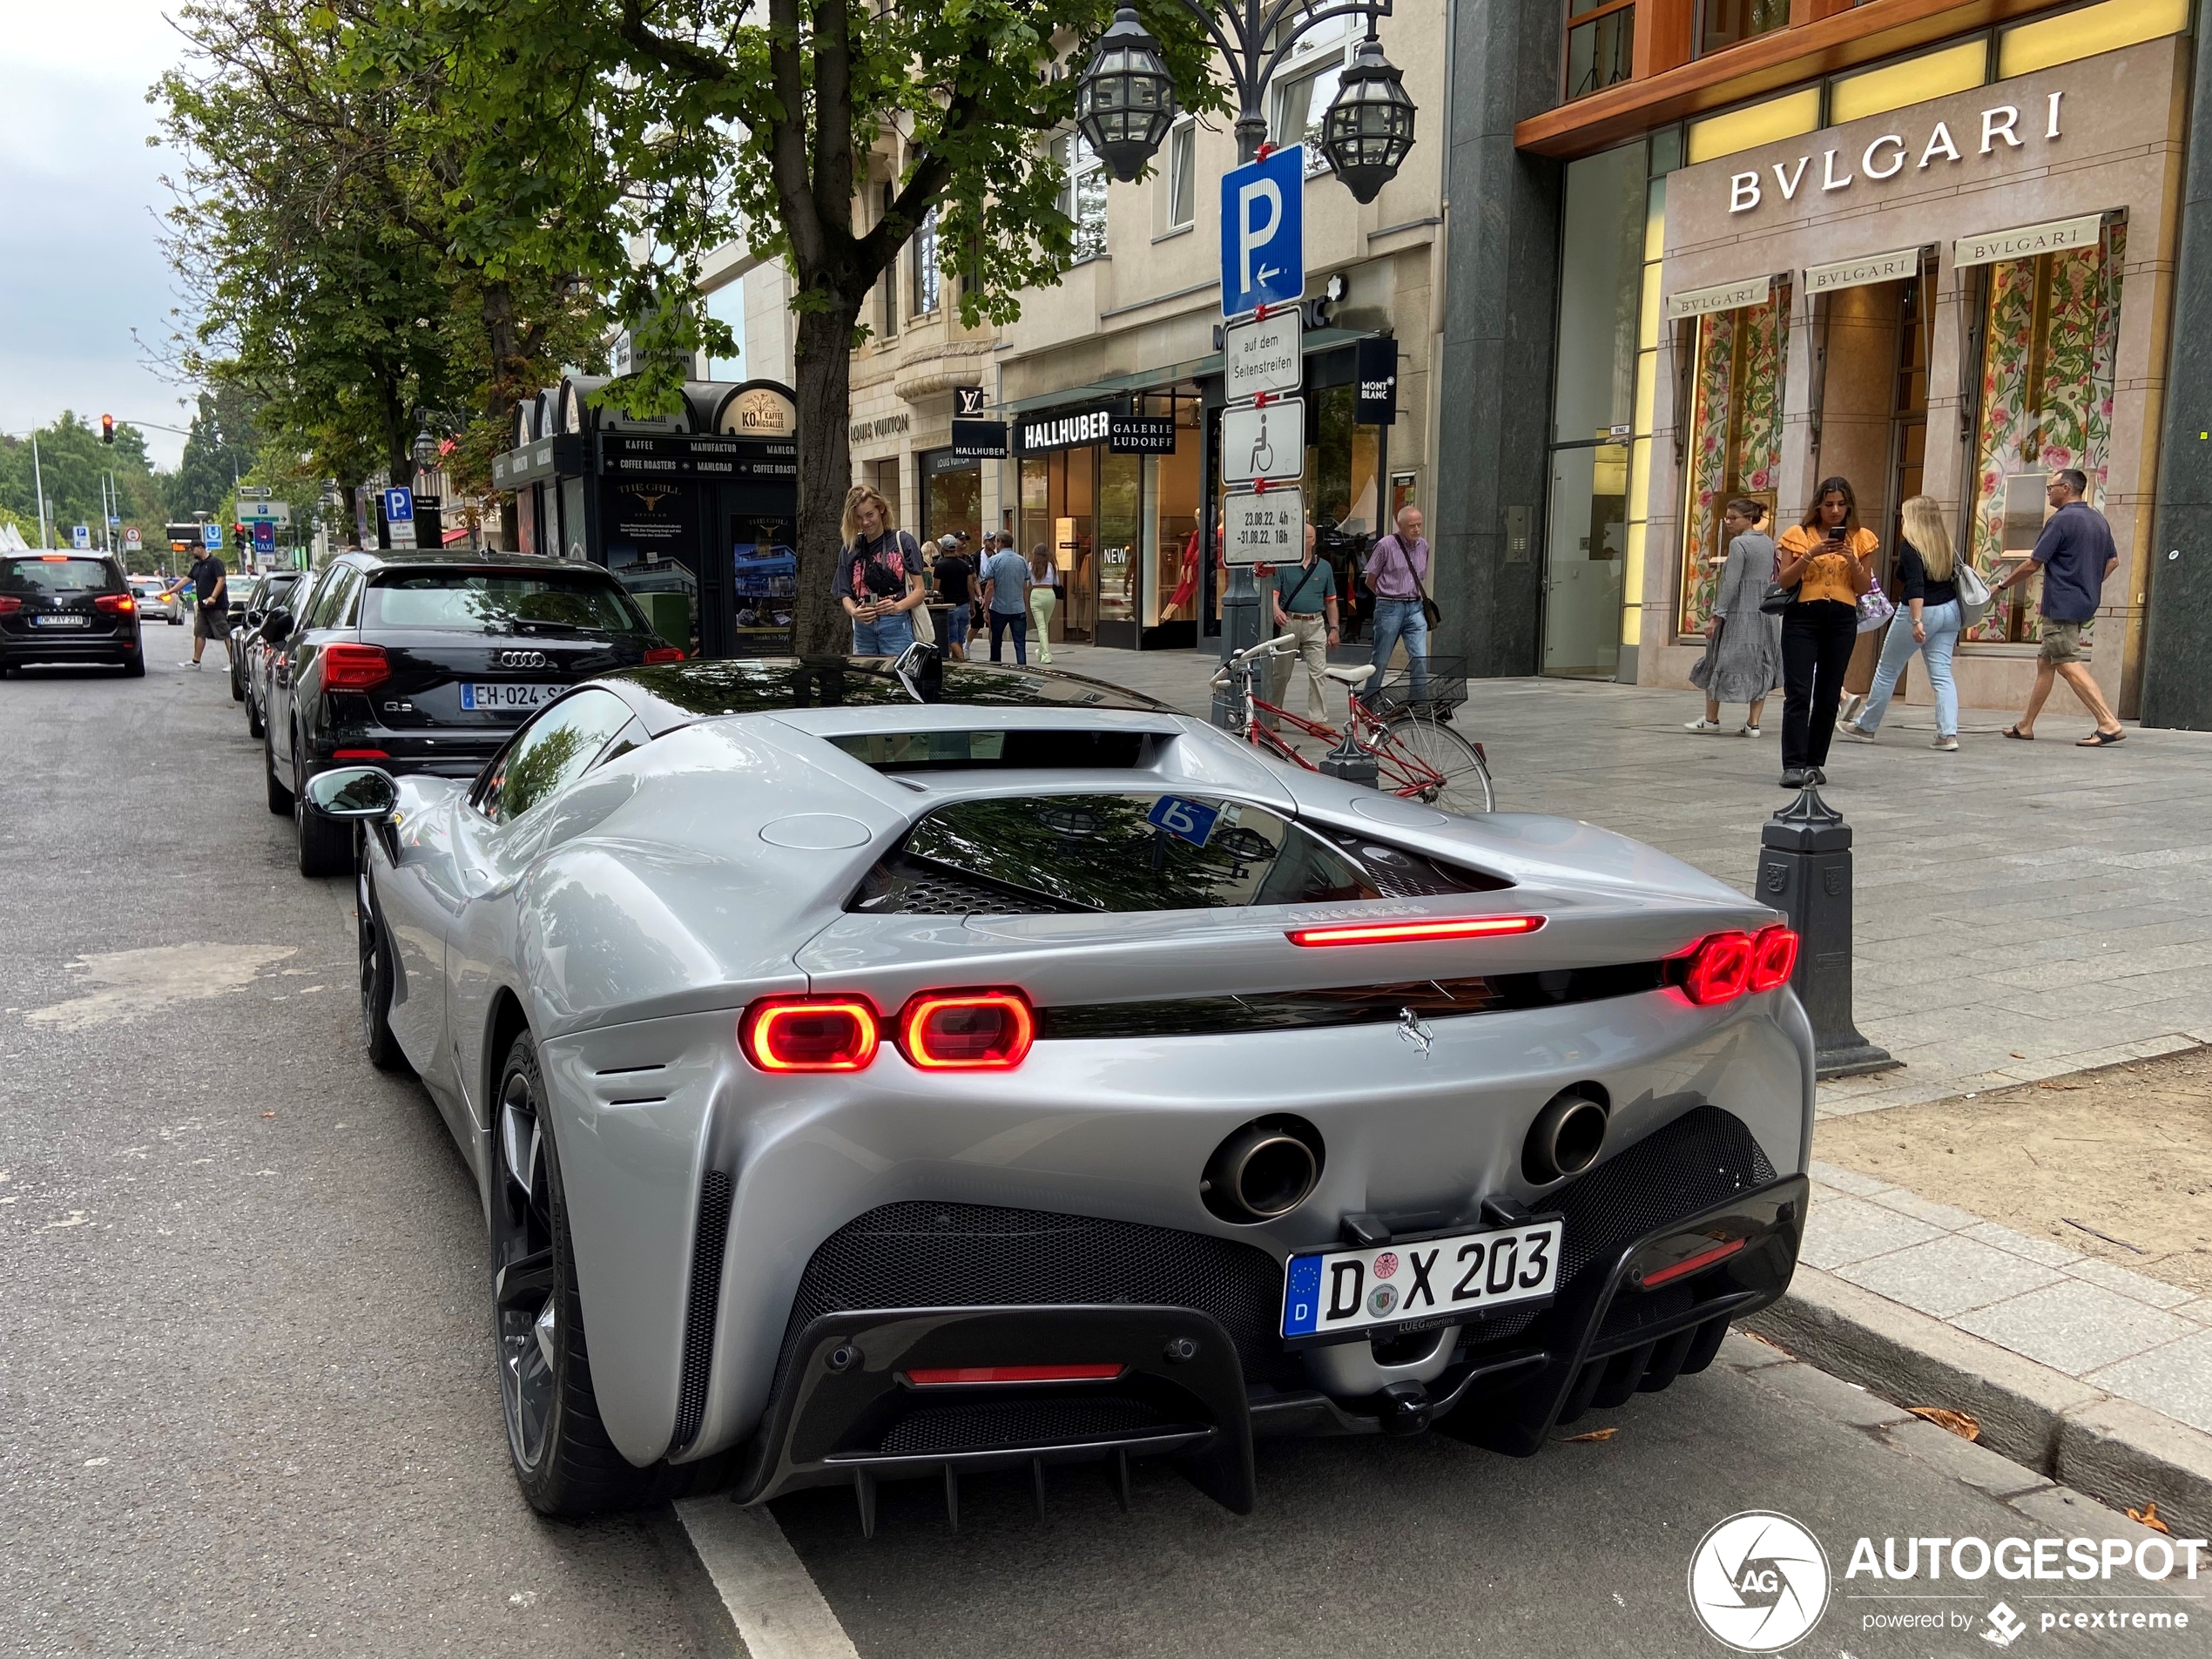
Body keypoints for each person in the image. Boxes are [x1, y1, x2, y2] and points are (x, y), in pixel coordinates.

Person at [1992, 469, 2126, 746]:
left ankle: (2108, 723)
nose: (2049, 493)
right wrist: (2088, 581)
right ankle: (2026, 725)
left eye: (2051, 487)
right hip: (2084, 601)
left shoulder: (2061, 520)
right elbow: (2113, 561)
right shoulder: (2098, 520)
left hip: (2062, 602)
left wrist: (2001, 586)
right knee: (2047, 661)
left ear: (2065, 488)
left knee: (2065, 661)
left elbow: (2033, 563)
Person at [1772, 476, 1878, 788]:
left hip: (1841, 619)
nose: (1835, 510)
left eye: (1841, 504)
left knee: (1829, 694)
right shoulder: (1797, 535)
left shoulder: (1862, 538)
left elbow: (1862, 589)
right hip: (1802, 618)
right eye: (1829, 504)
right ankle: (1793, 764)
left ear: (1849, 506)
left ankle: (1815, 762)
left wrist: (1852, 560)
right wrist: (1811, 554)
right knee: (1799, 692)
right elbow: (1785, 582)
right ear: (1818, 504)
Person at [1838, 495, 1962, 751]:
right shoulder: (1944, 543)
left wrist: (1916, 621)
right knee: (1942, 674)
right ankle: (1947, 734)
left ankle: (1866, 727)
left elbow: (1915, 586)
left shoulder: (1911, 546)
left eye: (1906, 515)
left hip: (1921, 610)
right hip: (1951, 610)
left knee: (1888, 669)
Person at [1684, 498, 1780, 738]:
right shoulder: (1769, 543)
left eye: (1733, 517)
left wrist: (1716, 617)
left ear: (1749, 519)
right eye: (1727, 517)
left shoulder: (1739, 544)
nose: (1728, 522)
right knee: (1762, 664)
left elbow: (1730, 583)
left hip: (1740, 613)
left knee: (1716, 660)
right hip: (1764, 613)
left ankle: (1711, 719)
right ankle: (1753, 724)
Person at [834, 485, 925, 656]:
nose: (865, 522)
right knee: (865, 679)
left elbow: (920, 591)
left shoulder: (903, 541)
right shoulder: (850, 548)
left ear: (881, 509)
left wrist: (897, 606)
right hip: (863, 626)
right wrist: (854, 612)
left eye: (870, 515)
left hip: (896, 624)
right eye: (859, 517)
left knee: (897, 678)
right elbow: (845, 594)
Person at [1269, 523, 1340, 720]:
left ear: (1313, 540)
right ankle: (1273, 714)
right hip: (1289, 621)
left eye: (1306, 537)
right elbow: (1273, 593)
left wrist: (1334, 628)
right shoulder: (1284, 565)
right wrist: (1276, 610)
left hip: (1315, 623)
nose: (1302, 540)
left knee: (1319, 672)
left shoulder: (1324, 567)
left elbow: (1331, 601)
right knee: (1281, 673)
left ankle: (1318, 720)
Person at [1362, 502, 1429, 705]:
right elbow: (1370, 580)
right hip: (1390, 606)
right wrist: (1385, 597)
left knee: (1420, 658)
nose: (1417, 529)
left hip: (1415, 605)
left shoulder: (1424, 546)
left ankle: (1418, 702)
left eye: (1419, 524)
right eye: (1412, 526)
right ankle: (1369, 700)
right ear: (1400, 526)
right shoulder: (1385, 545)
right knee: (1381, 659)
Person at [981, 536, 1034, 664]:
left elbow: (990, 586)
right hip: (1018, 608)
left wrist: (986, 609)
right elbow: (1025, 588)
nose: (995, 544)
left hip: (999, 608)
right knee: (1020, 644)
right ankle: (1022, 669)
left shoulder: (994, 560)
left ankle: (996, 668)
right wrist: (1025, 607)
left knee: (996, 642)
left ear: (1000, 542)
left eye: (996, 542)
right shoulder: (1021, 560)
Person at [181, 544, 229, 669]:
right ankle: (196, 661)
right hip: (203, 606)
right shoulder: (198, 566)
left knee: (225, 633)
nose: (192, 552)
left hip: (217, 606)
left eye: (193, 549)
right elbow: (186, 580)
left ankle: (233, 662)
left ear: (200, 548)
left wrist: (213, 597)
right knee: (199, 633)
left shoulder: (215, 562)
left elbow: (221, 580)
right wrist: (169, 591)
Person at [931, 533, 974, 660]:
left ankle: (962, 662)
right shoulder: (964, 564)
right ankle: (957, 666)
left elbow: (936, 589)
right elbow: (970, 586)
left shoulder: (940, 565)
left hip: (949, 606)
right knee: (960, 639)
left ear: (943, 549)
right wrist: (972, 605)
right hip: (964, 605)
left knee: (952, 640)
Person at [1026, 542, 1060, 664]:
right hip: (1049, 594)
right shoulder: (1052, 566)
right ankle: (1041, 652)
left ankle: (1045, 654)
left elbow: (1027, 580)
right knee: (1044, 625)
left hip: (1036, 594)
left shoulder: (1031, 565)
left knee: (1041, 627)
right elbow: (1057, 582)